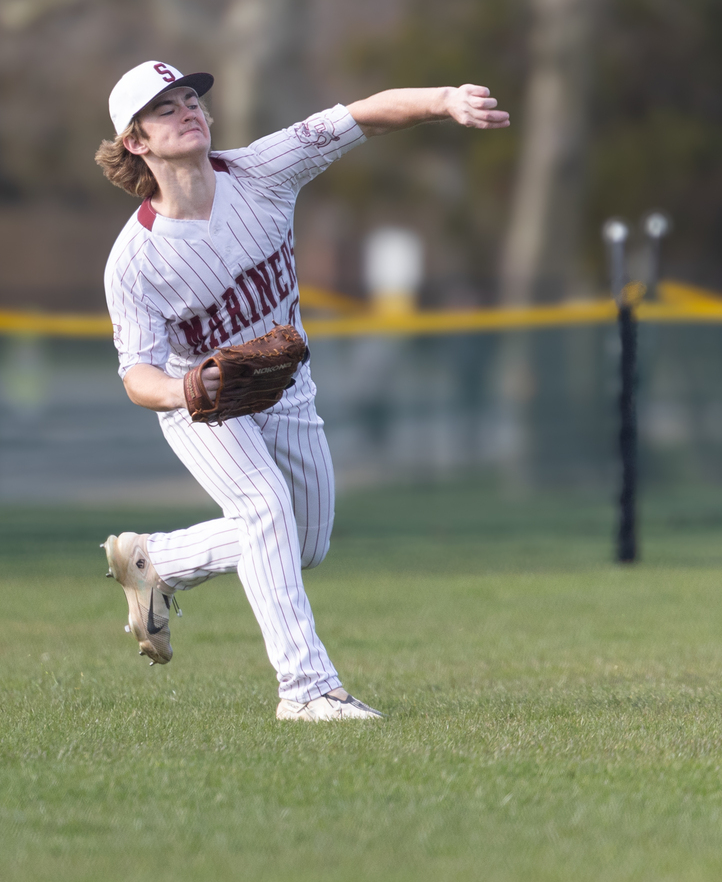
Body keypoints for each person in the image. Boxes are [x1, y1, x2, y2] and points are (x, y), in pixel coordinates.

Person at [95, 61, 509, 721]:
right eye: (165, 109)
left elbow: (362, 114)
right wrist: (189, 388)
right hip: (207, 408)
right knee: (264, 510)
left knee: (304, 543)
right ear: (136, 142)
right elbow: (136, 377)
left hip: (287, 389)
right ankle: (308, 689)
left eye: (189, 99)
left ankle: (156, 558)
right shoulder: (135, 261)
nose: (188, 110)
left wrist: (445, 99)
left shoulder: (262, 168)